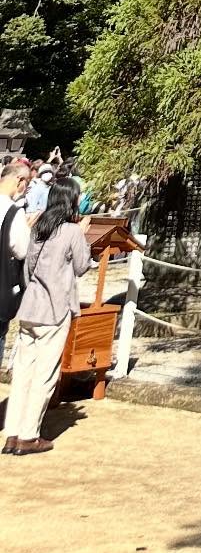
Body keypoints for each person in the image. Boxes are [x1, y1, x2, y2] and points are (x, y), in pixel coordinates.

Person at [2, 179, 91, 454]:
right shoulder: (71, 231)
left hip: (30, 308)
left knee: (24, 372)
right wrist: (83, 235)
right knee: (44, 373)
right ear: (72, 200)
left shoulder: (38, 228)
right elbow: (82, 266)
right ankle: (29, 435)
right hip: (54, 309)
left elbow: (27, 269)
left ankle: (13, 433)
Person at [1, 158, 34, 370]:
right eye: (27, 183)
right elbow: (22, 249)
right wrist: (28, 228)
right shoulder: (13, 212)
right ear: (19, 180)